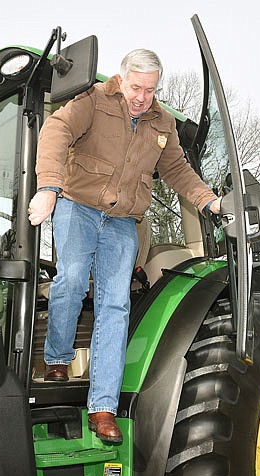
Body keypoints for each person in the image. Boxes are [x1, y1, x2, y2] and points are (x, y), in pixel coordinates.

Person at [27, 49, 221, 443]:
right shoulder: (93, 101)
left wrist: (209, 201)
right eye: (136, 88)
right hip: (76, 206)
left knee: (115, 305)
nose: (142, 97)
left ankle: (103, 407)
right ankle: (58, 359)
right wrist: (48, 187)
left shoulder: (160, 122)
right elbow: (56, 131)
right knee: (72, 281)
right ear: (121, 78)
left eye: (150, 90)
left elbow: (177, 170)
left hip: (122, 222)